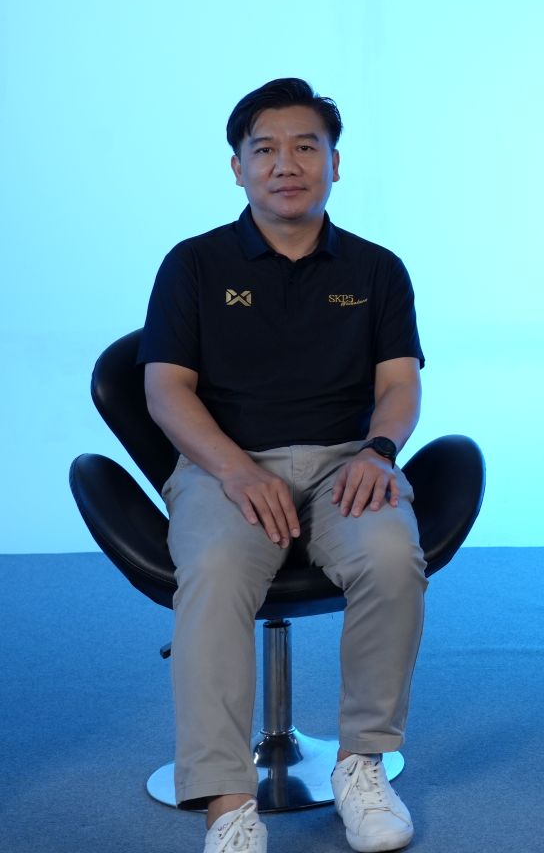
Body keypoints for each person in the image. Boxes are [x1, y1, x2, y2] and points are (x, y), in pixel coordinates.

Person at [140, 78, 426, 853]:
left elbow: (399, 385)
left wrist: (379, 451)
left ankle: (362, 765)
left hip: (345, 463)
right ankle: (228, 802)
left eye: (306, 146)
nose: (286, 164)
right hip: (224, 467)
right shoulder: (193, 265)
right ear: (238, 168)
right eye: (264, 149)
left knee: (393, 557)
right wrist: (235, 470)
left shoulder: (376, 270)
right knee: (216, 571)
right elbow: (165, 389)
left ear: (335, 163)